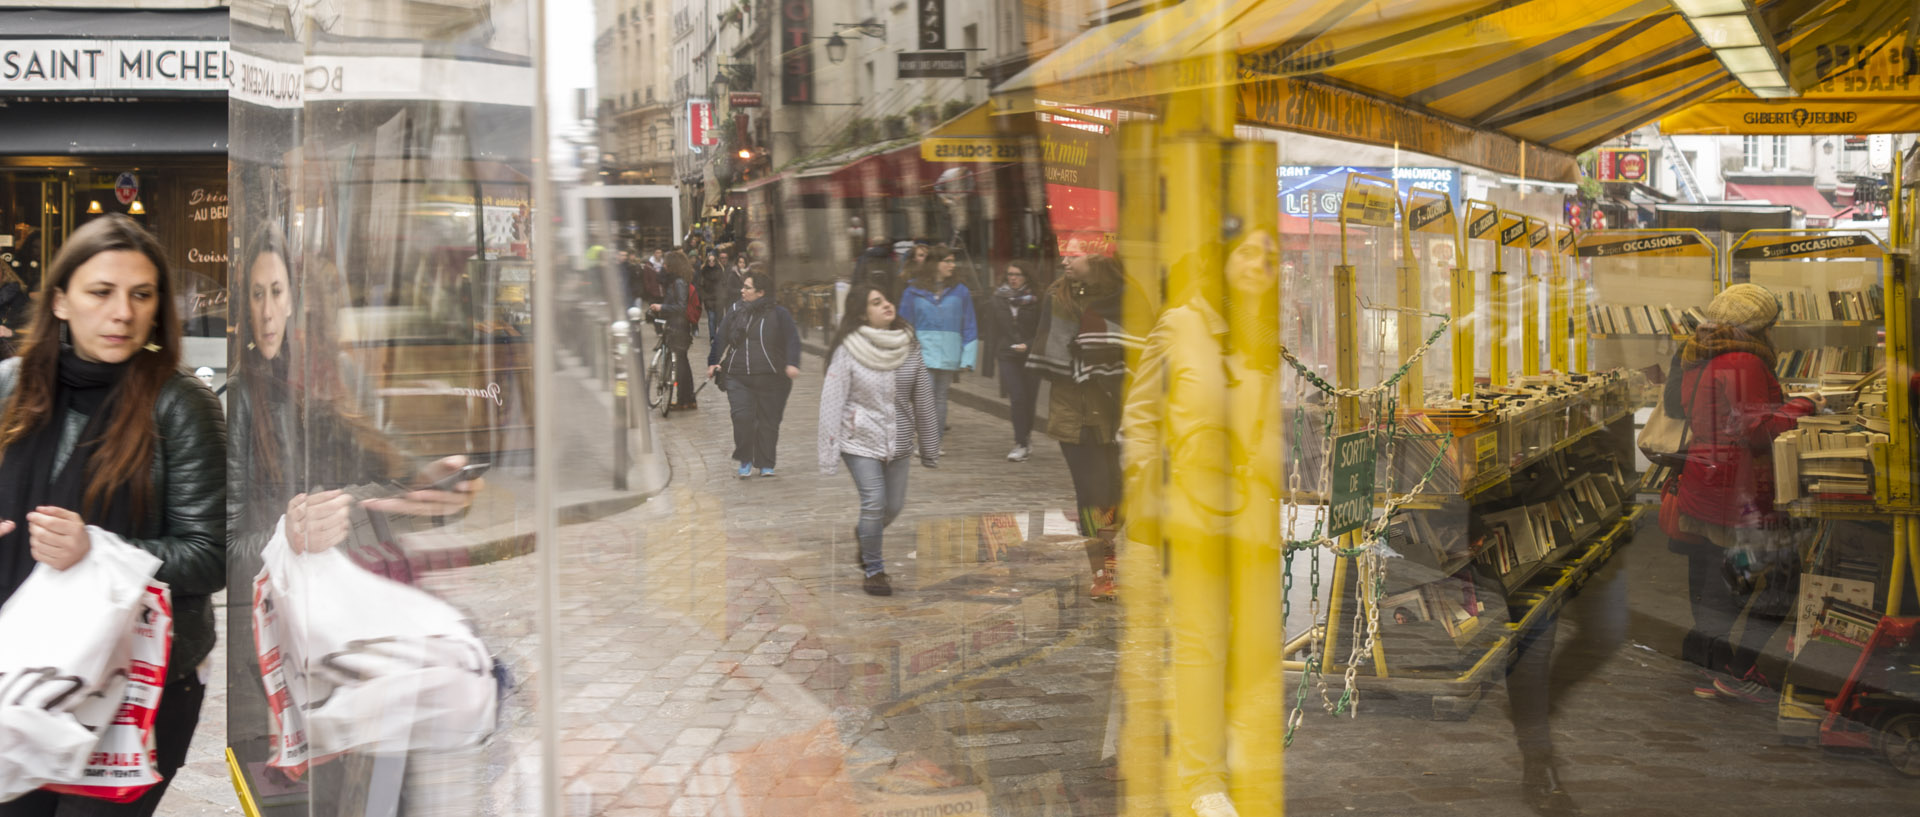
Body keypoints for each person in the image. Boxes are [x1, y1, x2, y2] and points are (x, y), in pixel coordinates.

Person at [225, 226, 485, 816]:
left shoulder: (341, 380)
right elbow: (228, 549)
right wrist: (285, 537)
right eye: (256, 295)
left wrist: (433, 483)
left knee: (389, 796)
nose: (267, 312)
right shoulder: (238, 404)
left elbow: (390, 472)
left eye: (278, 293)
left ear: (302, 302)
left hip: (365, 638)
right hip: (298, 656)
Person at [0, 214, 225, 817]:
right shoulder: (9, 389)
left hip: (135, 684)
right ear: (61, 302)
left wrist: (97, 550)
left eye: (141, 295)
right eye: (102, 292)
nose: (122, 312)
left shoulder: (180, 405)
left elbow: (210, 556)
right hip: (17, 671)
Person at [1658, 283, 1818, 704]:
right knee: (1781, 579)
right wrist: (1805, 405)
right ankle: (1739, 669)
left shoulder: (1700, 352)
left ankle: (1715, 667)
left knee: (1718, 582)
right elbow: (1757, 429)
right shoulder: (1743, 360)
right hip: (1738, 488)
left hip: (1709, 480)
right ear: (1761, 326)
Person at [818, 285, 940, 597]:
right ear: (863, 313)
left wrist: (929, 447)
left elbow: (924, 397)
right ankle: (874, 570)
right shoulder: (849, 350)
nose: (886, 304)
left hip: (898, 441)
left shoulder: (909, 346)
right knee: (874, 501)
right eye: (876, 302)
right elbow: (832, 401)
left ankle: (865, 535)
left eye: (886, 299)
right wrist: (829, 453)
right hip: (859, 440)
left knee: (893, 506)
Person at [1030, 253, 1134, 600]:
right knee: (1092, 493)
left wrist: (1102, 351)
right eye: (1064, 253)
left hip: (1116, 409)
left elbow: (1138, 345)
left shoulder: (1125, 297)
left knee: (1117, 493)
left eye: (1075, 254)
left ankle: (1105, 550)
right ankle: (1104, 571)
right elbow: (1051, 351)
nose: (1065, 260)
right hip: (1073, 413)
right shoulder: (1057, 298)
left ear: (1098, 261)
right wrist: (1082, 355)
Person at [709, 268, 801, 478]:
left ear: (761, 293)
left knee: (769, 421)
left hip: (771, 377)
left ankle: (766, 462)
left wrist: (792, 363)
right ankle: (745, 459)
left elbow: (792, 339)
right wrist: (712, 361)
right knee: (742, 418)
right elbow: (721, 336)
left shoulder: (779, 313)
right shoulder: (734, 311)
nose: (742, 291)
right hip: (737, 376)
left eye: (747, 288)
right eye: (743, 287)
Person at [897, 245, 977, 442]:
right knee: (925, 398)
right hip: (922, 351)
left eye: (953, 261)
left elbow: (969, 324)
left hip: (949, 352)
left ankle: (934, 440)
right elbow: (904, 324)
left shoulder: (961, 291)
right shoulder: (913, 290)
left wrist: (968, 357)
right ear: (935, 264)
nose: (952, 265)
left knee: (940, 397)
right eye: (947, 261)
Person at [990, 260, 1043, 462]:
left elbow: (1043, 328)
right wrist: (990, 358)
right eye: (1010, 274)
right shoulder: (999, 298)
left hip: (1031, 354)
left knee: (1029, 399)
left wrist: (1028, 345)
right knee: (1017, 398)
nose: (1013, 278)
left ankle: (1026, 437)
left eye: (1018, 274)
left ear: (1026, 277)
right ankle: (1020, 442)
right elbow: (993, 329)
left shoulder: (1037, 299)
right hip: (1007, 354)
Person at [648, 250, 700, 409]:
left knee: (681, 364)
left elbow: (680, 307)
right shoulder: (676, 281)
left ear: (673, 265)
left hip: (679, 327)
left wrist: (661, 306)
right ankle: (688, 399)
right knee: (683, 362)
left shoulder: (678, 282)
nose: (664, 265)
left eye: (666, 263)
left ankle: (684, 400)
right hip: (677, 325)